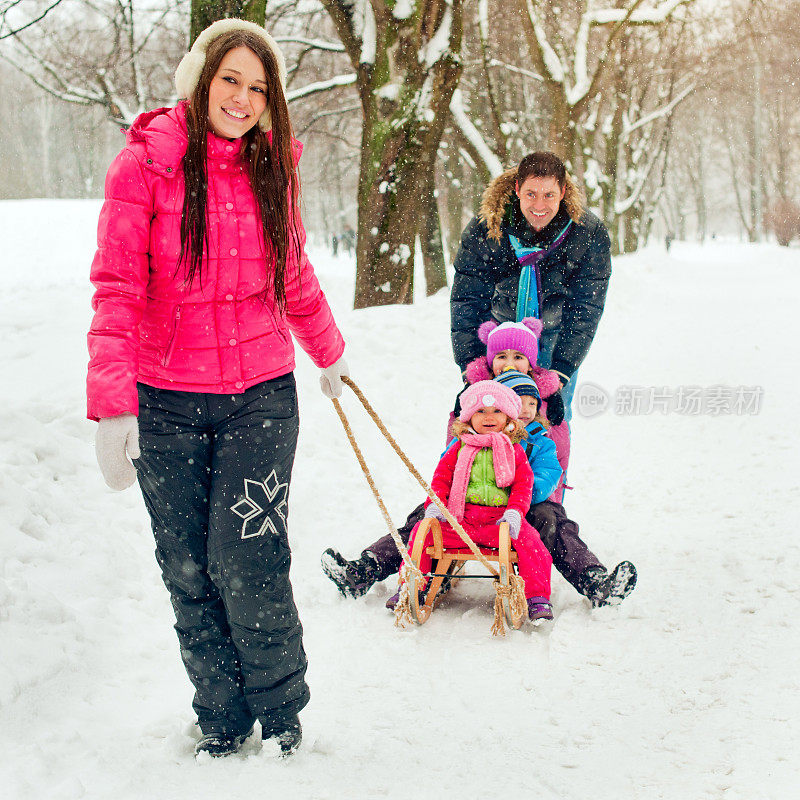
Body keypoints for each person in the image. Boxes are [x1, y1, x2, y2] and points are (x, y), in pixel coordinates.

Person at [87, 19, 349, 759]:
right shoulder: (143, 169)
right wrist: (112, 404)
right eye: (230, 79)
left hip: (261, 394)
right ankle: (222, 716)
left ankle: (282, 712)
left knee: (247, 557)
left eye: (258, 87)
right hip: (165, 398)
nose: (241, 98)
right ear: (199, 78)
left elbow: (292, 273)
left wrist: (329, 352)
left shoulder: (273, 167)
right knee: (188, 567)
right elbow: (116, 290)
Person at [322, 319, 636, 606]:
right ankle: (367, 568)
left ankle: (594, 581)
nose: (509, 363)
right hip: (471, 498)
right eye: (501, 356)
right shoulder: (474, 402)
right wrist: (452, 492)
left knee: (554, 522)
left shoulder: (543, 415)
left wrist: (524, 494)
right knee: (422, 519)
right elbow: (453, 455)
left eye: (518, 357)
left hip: (527, 500)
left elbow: (555, 464)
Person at [450, 151, 612, 422]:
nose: (539, 204)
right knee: (492, 418)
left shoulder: (587, 233)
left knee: (548, 422)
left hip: (553, 334)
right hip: (500, 338)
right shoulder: (488, 228)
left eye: (548, 195)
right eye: (530, 194)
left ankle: (549, 465)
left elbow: (586, 306)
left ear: (562, 191)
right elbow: (467, 298)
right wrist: (472, 367)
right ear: (517, 189)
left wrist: (561, 371)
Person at [395, 380, 554, 622]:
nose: (489, 417)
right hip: (460, 521)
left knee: (532, 543)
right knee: (421, 533)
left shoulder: (514, 450)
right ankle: (411, 586)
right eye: (481, 411)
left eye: (496, 411)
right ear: (468, 418)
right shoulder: (458, 447)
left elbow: (523, 485)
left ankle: (536, 597)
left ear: (509, 417)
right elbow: (441, 480)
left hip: (497, 523)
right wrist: (435, 506)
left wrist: (514, 513)